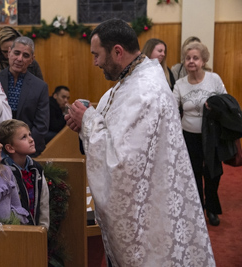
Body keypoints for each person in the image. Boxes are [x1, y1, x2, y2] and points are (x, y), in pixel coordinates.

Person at [65, 19, 215, 266]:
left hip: (149, 215)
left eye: (97, 55)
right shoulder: (130, 80)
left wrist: (88, 121)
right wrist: (84, 126)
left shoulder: (145, 90)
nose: (95, 62)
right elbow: (113, 133)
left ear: (117, 51)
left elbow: (124, 163)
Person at [173, 41, 227, 227]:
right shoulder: (180, 84)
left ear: (203, 60)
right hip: (188, 135)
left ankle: (212, 208)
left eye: (195, 58)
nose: (191, 61)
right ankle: (198, 209)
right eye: (188, 58)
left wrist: (215, 107)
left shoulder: (214, 79)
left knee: (213, 173)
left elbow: (226, 103)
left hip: (211, 135)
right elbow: (172, 107)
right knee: (193, 173)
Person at [0, 36, 49, 157]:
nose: (19, 59)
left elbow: (41, 125)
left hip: (28, 151)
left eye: (25, 55)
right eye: (16, 53)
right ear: (9, 53)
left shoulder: (40, 86)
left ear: (32, 60)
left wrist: (24, 146)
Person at [0, 119, 50, 229]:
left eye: (29, 135)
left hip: (36, 229)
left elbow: (43, 201)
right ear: (10, 148)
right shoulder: (3, 172)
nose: (31, 140)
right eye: (24, 137)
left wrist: (43, 228)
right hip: (16, 232)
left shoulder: (36, 168)